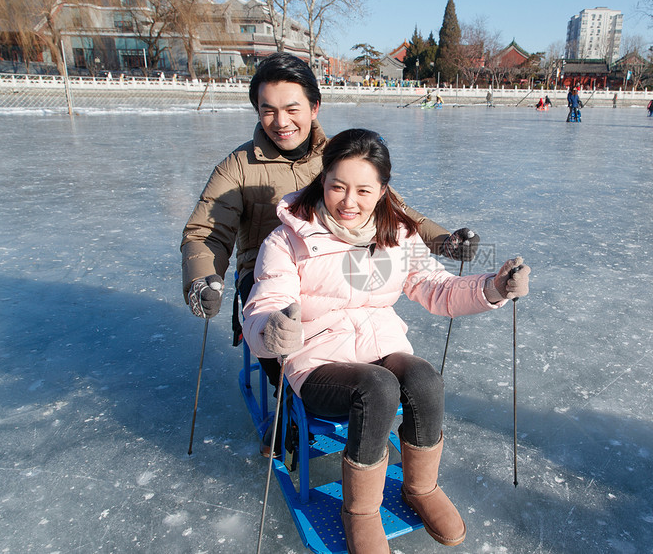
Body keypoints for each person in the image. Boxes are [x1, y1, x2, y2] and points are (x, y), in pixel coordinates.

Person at [242, 129, 531, 552]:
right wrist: (273, 328)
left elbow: (436, 287)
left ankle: (421, 487)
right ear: (323, 180)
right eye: (337, 186)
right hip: (317, 361)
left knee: (423, 379)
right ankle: (360, 510)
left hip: (381, 346)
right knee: (377, 389)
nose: (348, 201)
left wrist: (494, 287)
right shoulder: (288, 240)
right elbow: (266, 303)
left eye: (363, 189)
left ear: (382, 190)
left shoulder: (397, 235)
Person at [181, 53, 479, 453]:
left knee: (360, 300)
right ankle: (289, 400)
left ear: (314, 107)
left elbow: (394, 209)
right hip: (269, 268)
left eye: (292, 109)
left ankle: (363, 379)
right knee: (280, 317)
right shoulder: (238, 168)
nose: (281, 122)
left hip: (339, 258)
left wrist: (443, 240)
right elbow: (207, 231)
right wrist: (202, 276)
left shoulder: (338, 154)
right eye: (268, 110)